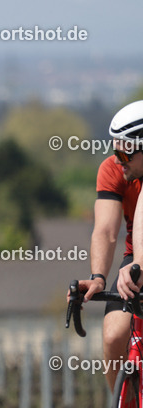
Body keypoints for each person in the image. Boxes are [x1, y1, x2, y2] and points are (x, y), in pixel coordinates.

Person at [80, 101, 143, 392]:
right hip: (137, 257)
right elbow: (106, 230)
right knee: (114, 335)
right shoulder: (113, 169)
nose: (118, 160)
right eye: (114, 151)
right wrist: (98, 278)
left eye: (124, 153)